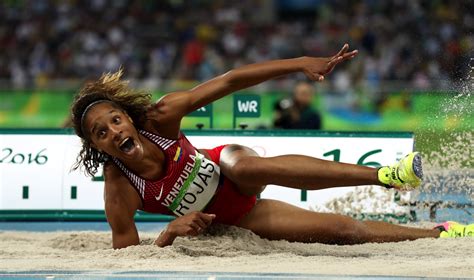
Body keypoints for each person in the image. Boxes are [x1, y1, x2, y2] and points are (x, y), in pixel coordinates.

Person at [70, 44, 472, 249]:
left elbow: (229, 81)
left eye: (115, 119)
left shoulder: (160, 118)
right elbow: (124, 257)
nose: (112, 130)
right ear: (97, 146)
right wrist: (170, 234)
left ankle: (387, 176)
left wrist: (299, 63)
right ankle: (438, 234)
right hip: (235, 215)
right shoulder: (119, 188)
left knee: (243, 168)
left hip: (230, 167)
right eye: (100, 132)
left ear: (128, 118)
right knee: (343, 231)